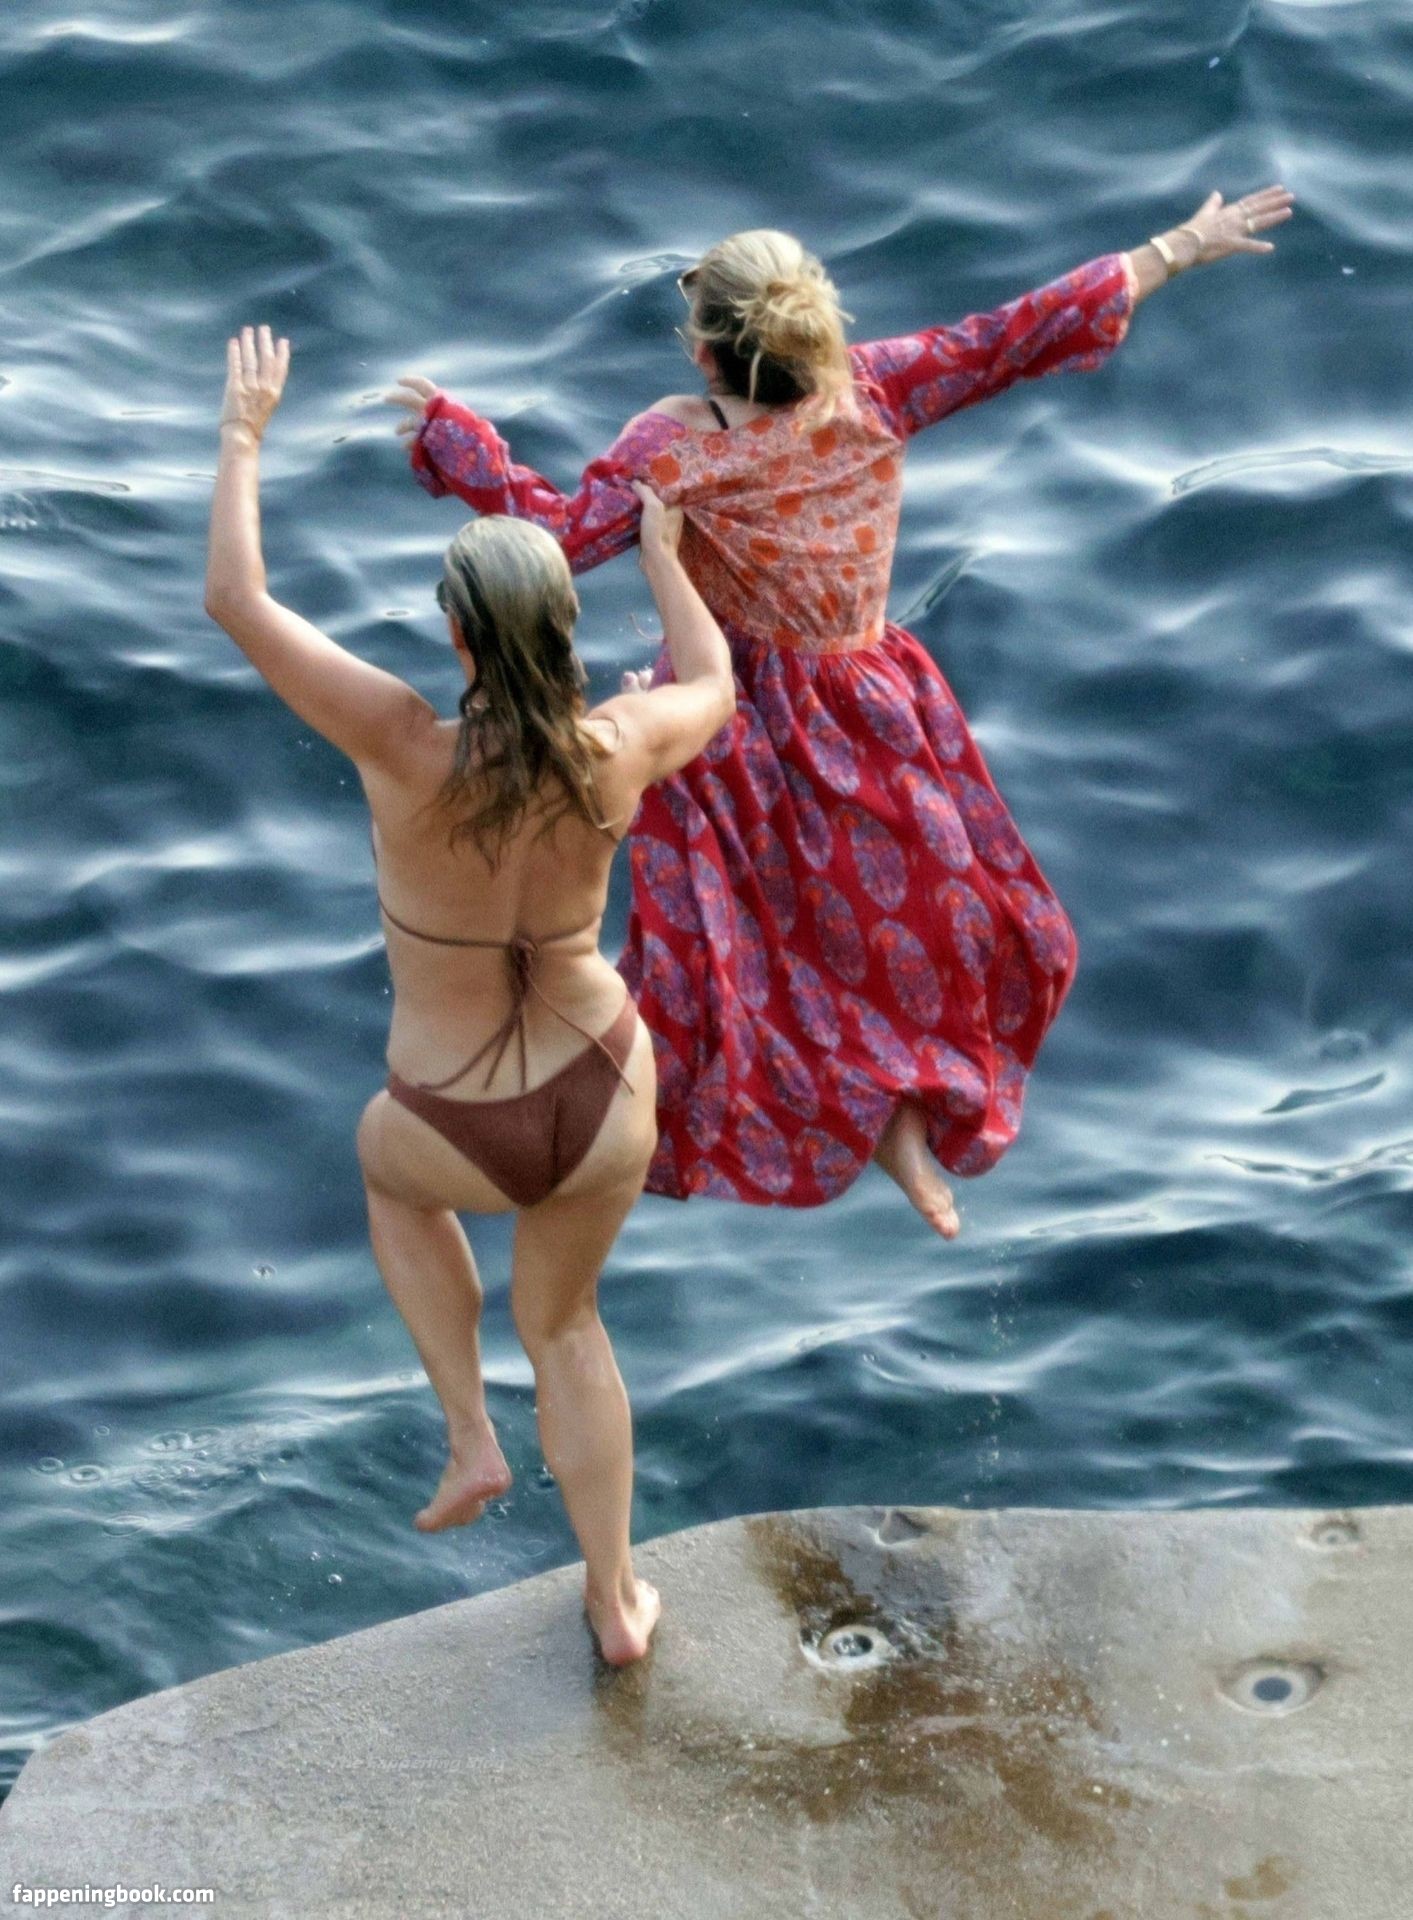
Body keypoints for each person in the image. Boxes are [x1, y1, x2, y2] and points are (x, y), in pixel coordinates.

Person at [386, 186, 1294, 1237]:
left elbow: (556, 537)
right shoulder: (874, 387)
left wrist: (454, 440)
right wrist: (1178, 247)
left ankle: (590, 1133)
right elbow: (1012, 337)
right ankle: (892, 1130)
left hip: (732, 721)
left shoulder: (673, 448)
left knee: (747, 950)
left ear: (705, 353)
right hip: (874, 709)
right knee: (893, 928)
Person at [206, 326, 733, 1665]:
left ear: (454, 634)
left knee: (388, 1174)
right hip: (605, 1089)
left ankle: (467, 1435)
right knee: (568, 1325)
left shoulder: (399, 743)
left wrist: (244, 436)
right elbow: (718, 685)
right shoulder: (617, 747)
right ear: (563, 628)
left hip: (452, 1116)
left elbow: (237, 601)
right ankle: (615, 1601)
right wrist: (665, 558)